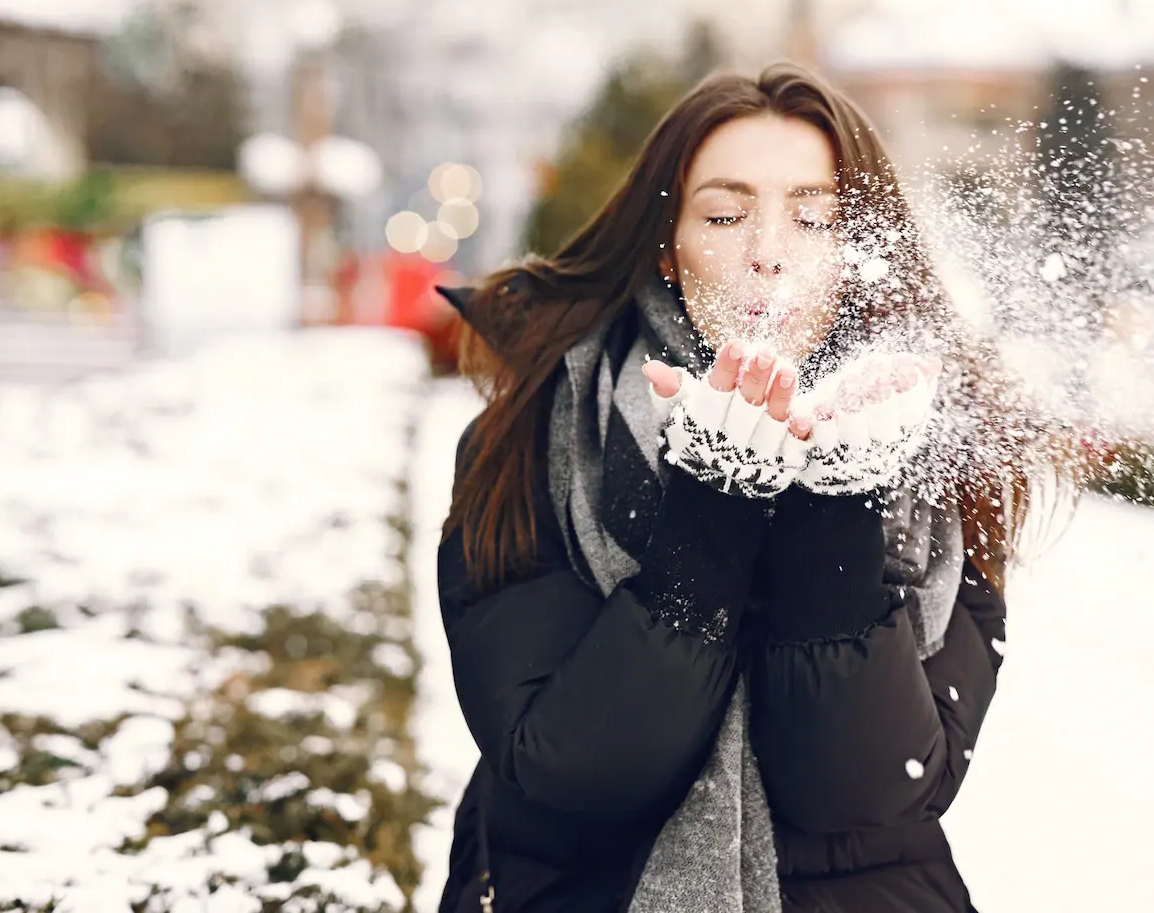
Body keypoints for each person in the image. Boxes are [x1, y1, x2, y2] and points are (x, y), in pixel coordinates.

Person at [435, 64, 1074, 913]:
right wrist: (714, 499)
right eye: (727, 215)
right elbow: (574, 769)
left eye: (813, 217)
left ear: (861, 256)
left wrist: (836, 500)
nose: (768, 252)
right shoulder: (536, 436)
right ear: (667, 244)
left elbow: (868, 793)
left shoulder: (934, 455)